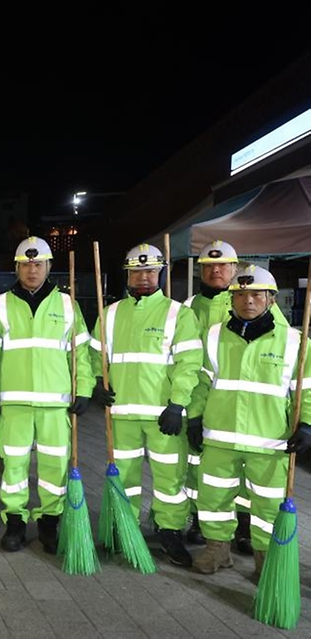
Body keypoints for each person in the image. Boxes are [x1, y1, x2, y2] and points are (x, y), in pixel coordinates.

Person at [187, 265, 311, 579]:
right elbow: (202, 381)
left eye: (257, 294)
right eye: (240, 294)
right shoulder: (214, 335)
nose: (248, 301)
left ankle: (265, 557)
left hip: (269, 442)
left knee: (268, 505)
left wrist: (307, 424)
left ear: (271, 299)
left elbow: (307, 389)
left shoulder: (295, 342)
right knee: (214, 496)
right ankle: (217, 549)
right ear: (231, 299)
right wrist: (194, 417)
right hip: (219, 438)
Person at [91, 243, 202, 567]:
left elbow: (189, 363)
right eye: (137, 272)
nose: (143, 277)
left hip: (162, 415)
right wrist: (98, 381)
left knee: (170, 479)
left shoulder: (178, 313)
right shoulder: (109, 313)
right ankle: (125, 529)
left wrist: (178, 405)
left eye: (150, 271)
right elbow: (95, 355)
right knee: (124, 476)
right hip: (123, 413)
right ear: (127, 275)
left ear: (160, 273)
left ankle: (169, 531)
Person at [0, 237, 94, 554]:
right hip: (14, 404)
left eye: (38, 264)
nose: (32, 270)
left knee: (53, 468)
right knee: (14, 468)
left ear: (49, 267)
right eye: (26, 264)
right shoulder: (0, 305)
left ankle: (50, 523)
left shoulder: (67, 305)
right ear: (17, 268)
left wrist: (85, 389)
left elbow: (81, 354)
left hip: (54, 403)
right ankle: (15, 523)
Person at [181, 240, 252, 551]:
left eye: (223, 265)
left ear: (235, 268)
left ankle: (245, 524)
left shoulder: (248, 300)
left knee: (245, 464)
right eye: (209, 266)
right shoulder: (185, 308)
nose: (216, 270)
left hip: (244, 398)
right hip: (198, 396)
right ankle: (201, 518)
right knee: (198, 461)